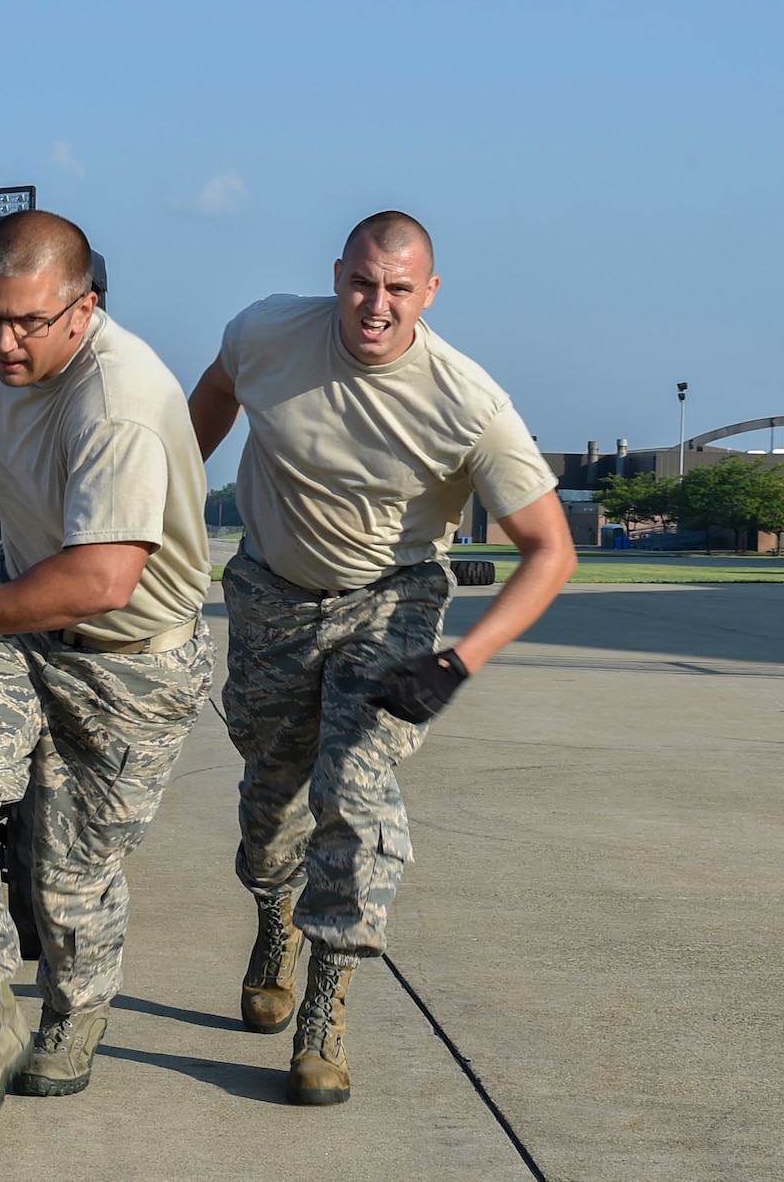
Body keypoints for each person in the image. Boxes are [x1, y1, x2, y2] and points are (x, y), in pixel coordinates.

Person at [187, 210, 576, 1107]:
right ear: (337, 275)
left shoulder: (466, 400)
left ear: (428, 294)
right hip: (270, 597)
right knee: (269, 807)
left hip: (389, 603)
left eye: (399, 288)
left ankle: (323, 1014)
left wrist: (459, 662)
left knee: (355, 797)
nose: (376, 304)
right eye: (363, 282)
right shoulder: (264, 333)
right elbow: (198, 421)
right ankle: (274, 920)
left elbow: (550, 549)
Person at [0, 211, 211, 1125]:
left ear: (84, 306)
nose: (5, 342)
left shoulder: (120, 402)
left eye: (30, 322)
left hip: (130, 659)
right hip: (18, 615)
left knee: (71, 873)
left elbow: (103, 579)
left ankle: (75, 1012)